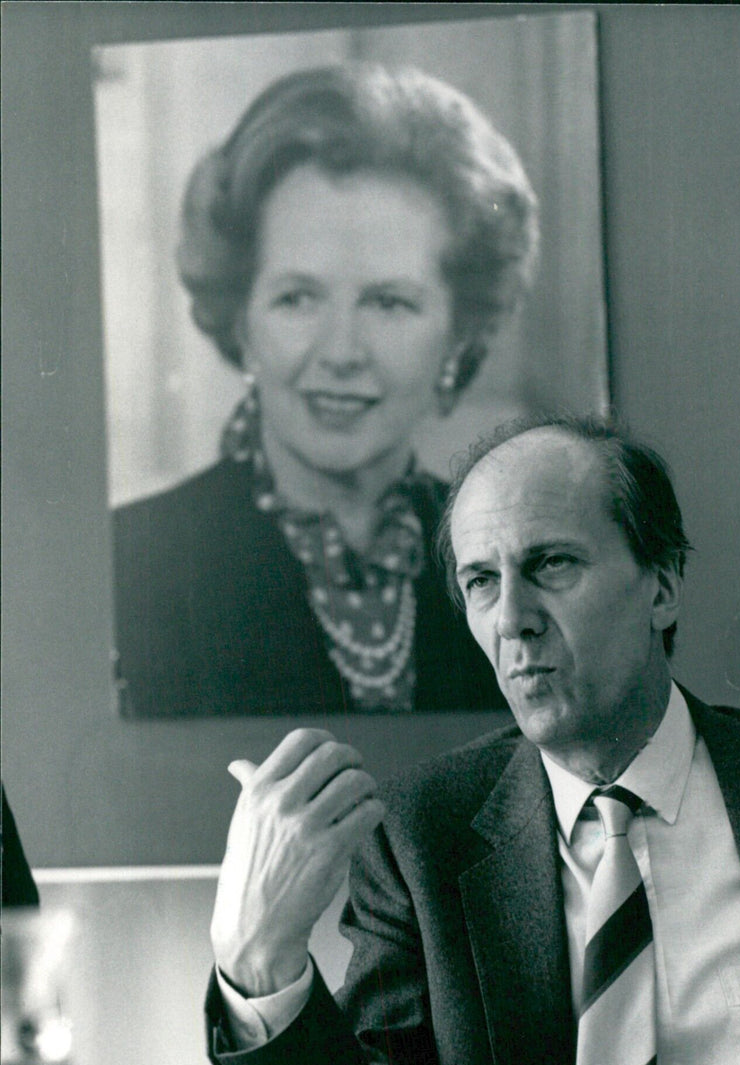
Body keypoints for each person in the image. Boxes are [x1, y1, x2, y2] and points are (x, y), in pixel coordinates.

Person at [204, 414, 740, 1065]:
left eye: (551, 564)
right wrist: (260, 964)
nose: (512, 620)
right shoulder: (422, 836)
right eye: (481, 582)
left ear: (662, 590)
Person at [111, 62, 539, 718]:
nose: (341, 352)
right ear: (241, 317)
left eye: (390, 302)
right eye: (297, 298)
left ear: (459, 333)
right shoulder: (130, 566)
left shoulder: (514, 567)